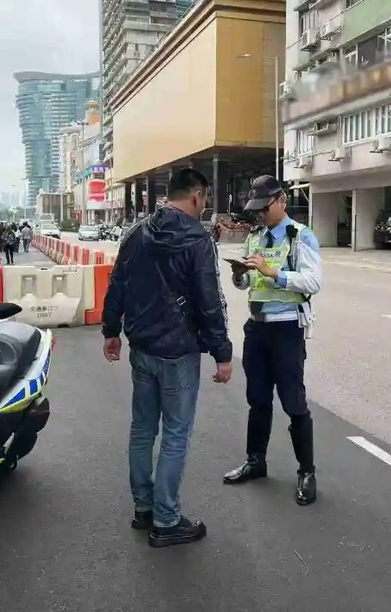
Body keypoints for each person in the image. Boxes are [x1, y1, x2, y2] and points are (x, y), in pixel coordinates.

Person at [102, 167, 233, 549]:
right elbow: (209, 302)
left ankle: (144, 509)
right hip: (179, 353)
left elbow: (117, 283)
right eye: (205, 198)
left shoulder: (136, 233)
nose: (204, 205)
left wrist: (112, 330)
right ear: (196, 195)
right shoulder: (197, 239)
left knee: (143, 430)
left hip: (142, 348)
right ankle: (167, 519)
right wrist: (222, 354)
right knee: (175, 435)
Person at [224, 174, 323, 506]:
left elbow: (313, 281)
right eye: (256, 210)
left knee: (294, 403)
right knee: (258, 399)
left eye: (264, 208)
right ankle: (256, 461)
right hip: (257, 328)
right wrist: (240, 275)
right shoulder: (255, 236)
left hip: (286, 331)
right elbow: (248, 283)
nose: (260, 215)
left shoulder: (300, 236)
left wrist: (274, 273)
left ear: (281, 200)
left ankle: (306, 472)